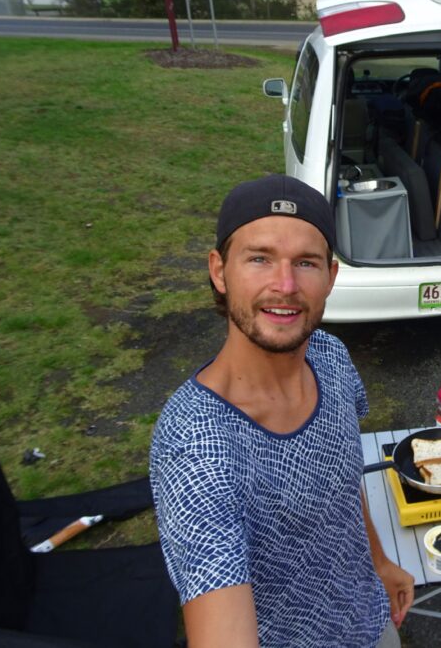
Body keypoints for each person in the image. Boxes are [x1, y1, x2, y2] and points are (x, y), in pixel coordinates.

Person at [149, 175, 414, 648]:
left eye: (306, 263)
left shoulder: (331, 358)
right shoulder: (196, 445)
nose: (285, 285)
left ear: (331, 277)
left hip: (372, 622)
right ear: (219, 270)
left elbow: (344, 483)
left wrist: (380, 564)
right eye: (259, 258)